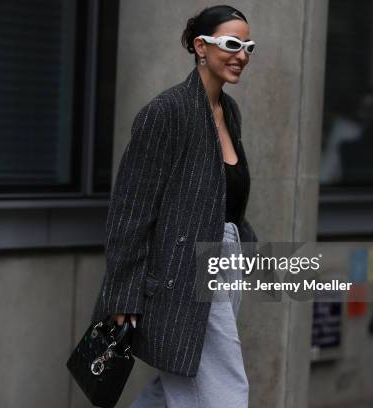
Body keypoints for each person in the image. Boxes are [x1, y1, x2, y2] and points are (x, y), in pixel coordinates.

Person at [89, 5, 257, 407]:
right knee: (223, 392)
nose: (242, 55)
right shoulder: (166, 112)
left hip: (225, 260)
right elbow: (130, 213)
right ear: (201, 46)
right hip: (184, 272)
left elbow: (226, 197)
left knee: (178, 388)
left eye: (248, 46)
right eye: (232, 44)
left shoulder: (229, 112)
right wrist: (124, 298)